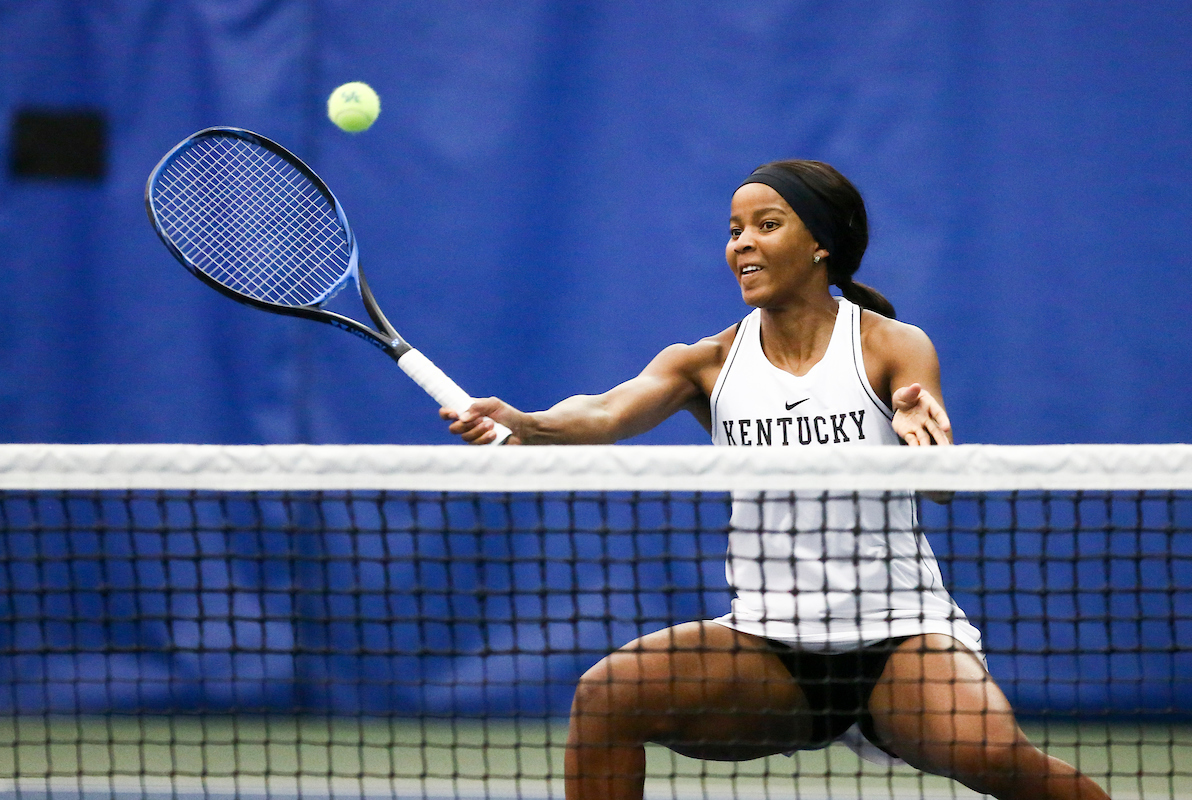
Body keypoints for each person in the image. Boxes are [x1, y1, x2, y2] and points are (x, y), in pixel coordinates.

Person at [441, 160, 1110, 800]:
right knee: (606, 696)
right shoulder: (707, 362)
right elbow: (605, 412)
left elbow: (940, 486)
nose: (742, 244)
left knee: (997, 757)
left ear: (820, 243)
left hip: (900, 637)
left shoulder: (890, 344)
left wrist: (923, 445)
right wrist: (529, 423)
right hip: (771, 647)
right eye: (735, 230)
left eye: (766, 225)